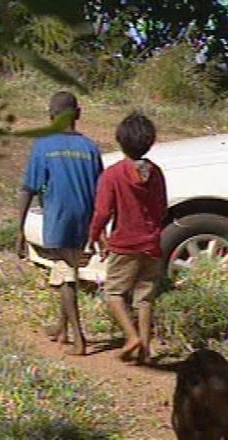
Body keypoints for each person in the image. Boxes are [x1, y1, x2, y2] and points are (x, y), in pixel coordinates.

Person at [17, 91, 104, 356]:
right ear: (78, 114)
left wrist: (19, 228)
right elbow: (101, 189)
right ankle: (62, 329)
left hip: (59, 219)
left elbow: (28, 188)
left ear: (51, 116)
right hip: (85, 220)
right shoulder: (91, 148)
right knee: (67, 269)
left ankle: (79, 339)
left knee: (66, 278)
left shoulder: (43, 146)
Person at [88, 112, 167, 365]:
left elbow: (102, 211)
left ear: (120, 141)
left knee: (114, 293)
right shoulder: (156, 173)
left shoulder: (113, 174)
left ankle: (131, 337)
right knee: (145, 297)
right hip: (152, 242)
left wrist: (93, 236)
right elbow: (161, 209)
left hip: (124, 243)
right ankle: (145, 349)